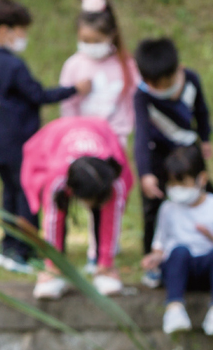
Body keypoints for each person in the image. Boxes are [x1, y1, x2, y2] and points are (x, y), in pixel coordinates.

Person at [0, 0, 91, 274]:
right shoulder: (13, 66)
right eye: (21, 30)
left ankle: (8, 247)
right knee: (27, 195)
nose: (24, 36)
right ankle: (23, 252)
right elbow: (38, 95)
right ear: (5, 30)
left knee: (9, 194)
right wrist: (74, 89)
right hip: (18, 143)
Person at [58, 0, 140, 274]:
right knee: (87, 192)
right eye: (85, 40)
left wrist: (124, 136)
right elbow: (67, 105)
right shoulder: (74, 65)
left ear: (111, 35)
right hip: (82, 142)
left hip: (113, 143)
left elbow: (132, 104)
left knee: (110, 196)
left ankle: (103, 251)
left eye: (96, 40)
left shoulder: (126, 65)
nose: (90, 46)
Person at [133, 38, 213, 289]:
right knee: (153, 208)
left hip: (188, 150)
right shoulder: (142, 96)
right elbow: (141, 136)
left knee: (207, 197)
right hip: (158, 155)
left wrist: (205, 138)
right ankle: (154, 263)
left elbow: (202, 111)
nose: (160, 89)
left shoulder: (191, 80)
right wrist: (145, 173)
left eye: (165, 83)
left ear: (177, 69)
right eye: (154, 84)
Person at [21, 117, 133, 299]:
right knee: (58, 214)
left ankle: (103, 269)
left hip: (99, 131)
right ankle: (55, 271)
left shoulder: (112, 175)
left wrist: (106, 262)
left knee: (104, 215)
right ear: (72, 191)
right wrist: (52, 263)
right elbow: (52, 220)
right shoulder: (58, 177)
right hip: (54, 139)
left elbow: (112, 218)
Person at [140, 146, 213, 335]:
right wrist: (154, 257)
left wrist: (210, 236)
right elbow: (160, 243)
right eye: (172, 183)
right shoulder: (168, 208)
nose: (177, 189)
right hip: (179, 269)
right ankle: (174, 308)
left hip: (208, 270)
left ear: (202, 179)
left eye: (182, 183)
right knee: (179, 251)